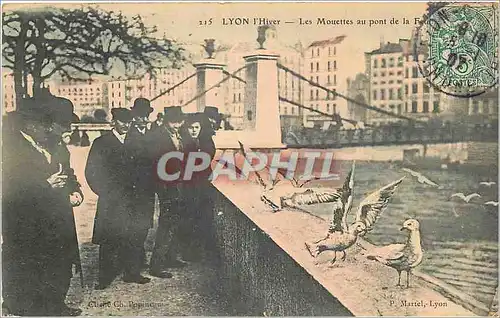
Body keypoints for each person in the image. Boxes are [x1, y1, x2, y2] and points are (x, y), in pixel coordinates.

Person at [2, 96, 82, 316]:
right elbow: (8, 189)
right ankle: (24, 307)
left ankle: (55, 304)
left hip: (55, 216)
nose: (48, 129)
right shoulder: (9, 148)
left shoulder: (55, 145)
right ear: (29, 125)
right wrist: (44, 185)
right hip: (25, 219)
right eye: (44, 124)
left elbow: (69, 173)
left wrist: (75, 190)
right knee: (27, 261)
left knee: (57, 260)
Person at [85, 108, 150, 289]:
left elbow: (146, 168)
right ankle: (105, 277)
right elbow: (91, 171)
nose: (126, 126)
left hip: (135, 199)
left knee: (134, 236)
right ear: (113, 122)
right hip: (112, 200)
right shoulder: (101, 142)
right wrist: (105, 192)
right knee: (109, 238)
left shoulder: (137, 141)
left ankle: (132, 273)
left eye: (129, 122)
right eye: (122, 122)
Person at [148, 106, 187, 277]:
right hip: (165, 186)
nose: (177, 125)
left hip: (176, 184)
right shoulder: (158, 137)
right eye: (173, 121)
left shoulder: (176, 135)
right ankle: (156, 265)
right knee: (166, 224)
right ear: (166, 121)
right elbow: (154, 164)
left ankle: (170, 257)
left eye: (179, 121)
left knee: (174, 222)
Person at [181, 112, 217, 261]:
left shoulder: (207, 142)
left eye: (196, 127)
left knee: (204, 217)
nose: (194, 130)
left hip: (203, 185)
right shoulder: (183, 143)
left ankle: (203, 251)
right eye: (191, 127)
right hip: (188, 185)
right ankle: (189, 252)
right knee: (189, 217)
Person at [125, 98, 156, 271]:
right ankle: (132, 268)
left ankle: (139, 258)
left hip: (147, 189)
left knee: (144, 225)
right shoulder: (130, 136)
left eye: (146, 116)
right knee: (136, 227)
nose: (145, 119)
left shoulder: (148, 134)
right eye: (141, 116)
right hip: (136, 189)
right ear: (134, 117)